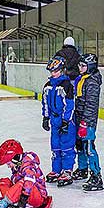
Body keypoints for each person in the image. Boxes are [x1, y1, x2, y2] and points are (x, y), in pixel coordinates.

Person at [0, 139, 48, 208]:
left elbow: (29, 182)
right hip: (25, 194)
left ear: (15, 158)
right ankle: (11, 202)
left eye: (9, 164)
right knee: (4, 181)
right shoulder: (17, 164)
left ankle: (5, 203)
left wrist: (23, 200)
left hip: (36, 198)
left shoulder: (28, 165)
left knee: (24, 182)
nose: (8, 166)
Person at [41, 56, 76, 187]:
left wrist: (66, 121)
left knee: (66, 146)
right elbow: (45, 103)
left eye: (55, 71)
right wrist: (45, 117)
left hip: (66, 121)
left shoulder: (66, 85)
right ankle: (56, 170)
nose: (53, 74)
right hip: (54, 120)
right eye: (51, 72)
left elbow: (70, 105)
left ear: (62, 70)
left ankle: (67, 170)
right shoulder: (48, 86)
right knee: (55, 146)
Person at [72, 53, 104, 192]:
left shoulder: (92, 82)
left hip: (88, 121)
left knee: (89, 146)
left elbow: (91, 105)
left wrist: (85, 122)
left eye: (83, 65)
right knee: (80, 145)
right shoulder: (83, 79)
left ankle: (96, 176)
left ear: (90, 67)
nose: (80, 68)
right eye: (79, 65)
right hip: (79, 117)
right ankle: (83, 168)